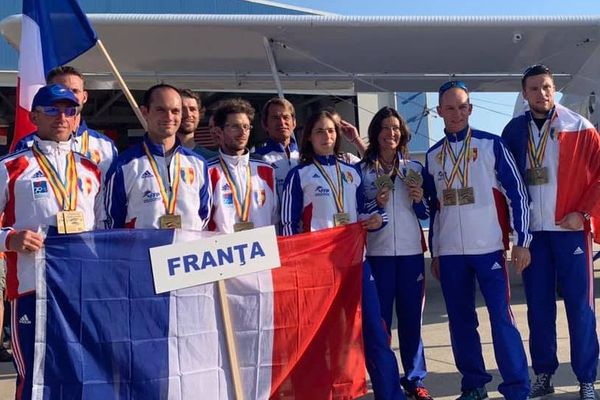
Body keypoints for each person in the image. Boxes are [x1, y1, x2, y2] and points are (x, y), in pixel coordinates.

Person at [281, 110, 406, 400]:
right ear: (309, 138)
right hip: (319, 270)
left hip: (355, 265)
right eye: (320, 132)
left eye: (331, 131)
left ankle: (390, 394)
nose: (327, 137)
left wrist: (378, 220)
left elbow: (366, 209)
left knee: (375, 331)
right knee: (322, 337)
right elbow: (289, 227)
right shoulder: (299, 176)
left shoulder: (351, 172)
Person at [423, 81, 531, 400]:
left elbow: (518, 196)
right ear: (439, 111)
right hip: (452, 253)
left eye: (462, 107)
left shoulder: (491, 146)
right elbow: (432, 208)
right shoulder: (432, 156)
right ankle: (473, 384)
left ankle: (516, 387)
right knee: (460, 322)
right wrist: (437, 252)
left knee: (501, 318)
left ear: (470, 109)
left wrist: (521, 240)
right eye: (449, 108)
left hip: (488, 249)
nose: (456, 114)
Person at [502, 64, 600, 400]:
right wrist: (517, 236)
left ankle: (587, 377)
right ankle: (543, 374)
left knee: (580, 307)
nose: (541, 94)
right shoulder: (513, 131)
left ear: (553, 87)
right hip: (534, 236)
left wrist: (583, 212)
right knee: (539, 307)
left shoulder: (578, 126)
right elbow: (503, 185)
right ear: (524, 93)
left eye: (546, 87)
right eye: (533, 89)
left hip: (569, 230)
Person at [0, 84, 102, 399]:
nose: (62, 117)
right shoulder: (11, 167)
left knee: (78, 373)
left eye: (70, 110)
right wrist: (10, 239)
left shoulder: (90, 169)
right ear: (34, 116)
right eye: (52, 109)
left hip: (78, 291)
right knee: (34, 376)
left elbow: (102, 230)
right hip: (31, 287)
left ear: (77, 117)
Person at [361, 106, 431, 400]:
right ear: (376, 133)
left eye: (395, 128)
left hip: (410, 254)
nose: (391, 133)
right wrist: (374, 205)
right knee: (380, 325)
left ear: (402, 133)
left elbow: (428, 211)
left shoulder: (413, 169)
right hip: (377, 256)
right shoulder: (362, 171)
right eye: (385, 128)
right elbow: (356, 214)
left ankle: (415, 379)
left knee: (412, 320)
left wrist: (418, 201)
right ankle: (384, 383)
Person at [105, 84, 211, 230]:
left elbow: (204, 214)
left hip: (186, 250)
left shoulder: (198, 163)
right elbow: (112, 222)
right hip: (143, 251)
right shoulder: (125, 165)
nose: (169, 117)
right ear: (145, 112)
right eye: (161, 110)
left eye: (175, 111)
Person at [14, 66, 117, 176]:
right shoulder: (27, 143)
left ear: (85, 96)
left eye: (75, 91)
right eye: (61, 89)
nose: (69, 95)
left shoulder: (105, 145)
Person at [207, 98, 277, 233]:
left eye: (246, 126)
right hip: (224, 250)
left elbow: (275, 217)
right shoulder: (208, 171)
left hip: (261, 249)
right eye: (235, 126)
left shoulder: (266, 170)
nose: (243, 132)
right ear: (219, 131)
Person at [177, 89, 218, 160]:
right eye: (182, 109)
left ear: (200, 114)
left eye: (192, 109)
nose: (188, 114)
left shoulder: (212, 158)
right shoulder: (161, 155)